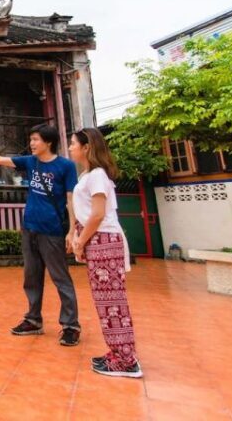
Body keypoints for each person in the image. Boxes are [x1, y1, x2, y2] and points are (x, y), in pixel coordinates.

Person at [0, 124, 81, 346]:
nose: (32, 143)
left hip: (53, 231)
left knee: (60, 278)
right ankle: (33, 320)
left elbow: (71, 199)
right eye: (31, 139)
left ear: (48, 142)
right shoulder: (30, 162)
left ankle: (71, 326)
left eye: (36, 139)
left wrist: (72, 231)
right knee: (31, 277)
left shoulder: (66, 166)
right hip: (29, 229)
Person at [67, 128, 142, 378]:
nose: (70, 148)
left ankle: (126, 361)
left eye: (73, 144)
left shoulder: (97, 175)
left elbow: (98, 214)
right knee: (105, 301)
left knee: (112, 302)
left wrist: (80, 241)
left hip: (104, 240)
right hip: (96, 240)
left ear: (87, 147)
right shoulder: (87, 175)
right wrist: (80, 238)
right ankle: (118, 353)